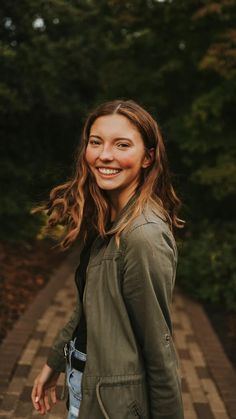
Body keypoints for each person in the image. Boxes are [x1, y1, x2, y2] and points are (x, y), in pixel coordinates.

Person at [31, 99, 185, 419]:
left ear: (148, 157)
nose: (104, 155)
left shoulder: (143, 236)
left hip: (111, 404)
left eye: (122, 145)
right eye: (96, 142)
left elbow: (159, 347)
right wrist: (54, 363)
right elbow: (90, 304)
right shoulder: (110, 218)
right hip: (84, 379)